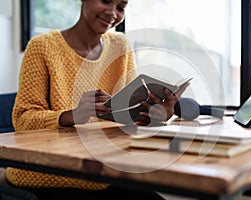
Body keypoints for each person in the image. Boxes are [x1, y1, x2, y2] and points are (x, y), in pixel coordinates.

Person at [6, 0, 188, 199]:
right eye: (106, 1)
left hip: (104, 169)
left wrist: (155, 117)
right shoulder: (42, 47)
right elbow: (23, 120)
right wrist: (73, 115)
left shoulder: (120, 46)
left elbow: (129, 121)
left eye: (121, 7)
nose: (112, 13)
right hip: (50, 171)